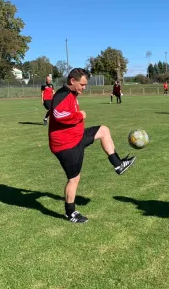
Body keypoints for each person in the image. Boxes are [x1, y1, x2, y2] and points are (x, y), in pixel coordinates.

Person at [49, 68, 136, 223]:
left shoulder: (71, 94)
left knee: (103, 130)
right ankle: (70, 213)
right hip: (66, 145)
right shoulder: (62, 94)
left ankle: (118, 165)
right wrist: (79, 115)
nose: (84, 87)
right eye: (82, 84)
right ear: (72, 81)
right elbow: (57, 114)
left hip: (77, 137)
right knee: (74, 179)